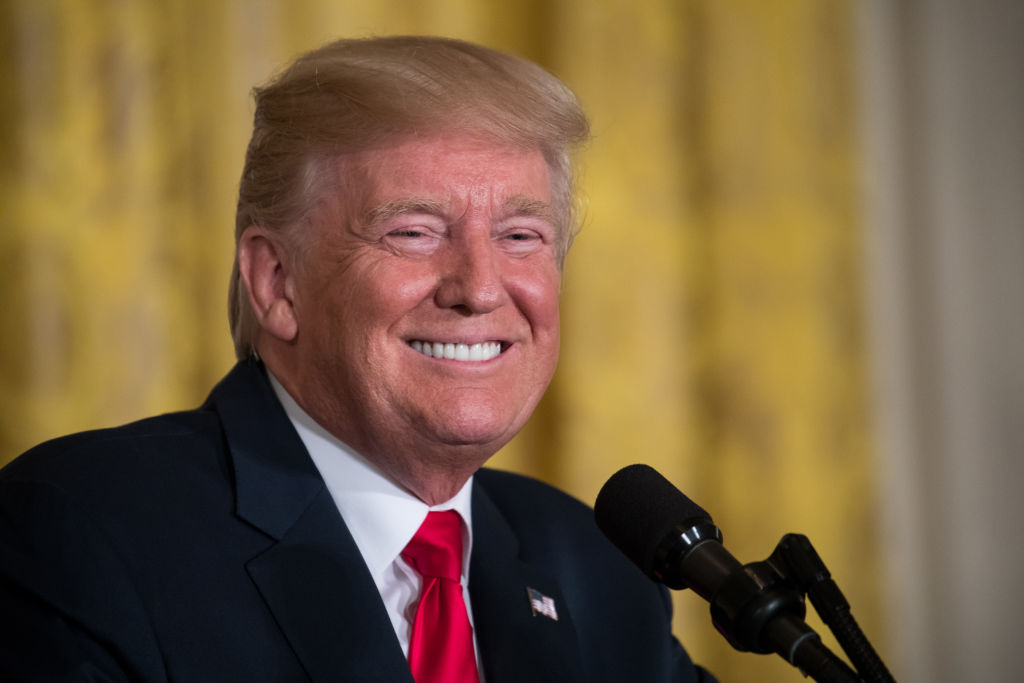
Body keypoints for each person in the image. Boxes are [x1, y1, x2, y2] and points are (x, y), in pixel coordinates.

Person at [0, 36, 716, 682]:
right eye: (413, 231)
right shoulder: (82, 534)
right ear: (277, 282)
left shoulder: (596, 569)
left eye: (520, 236)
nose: (479, 288)